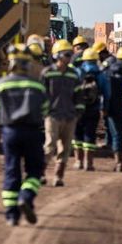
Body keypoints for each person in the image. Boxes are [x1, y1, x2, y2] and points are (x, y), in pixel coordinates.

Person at [0, 42, 48, 226]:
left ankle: (11, 215)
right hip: (32, 132)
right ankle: (26, 197)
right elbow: (45, 110)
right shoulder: (37, 85)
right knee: (35, 170)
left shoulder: (1, 84)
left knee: (11, 171)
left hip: (10, 132)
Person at [41, 39, 80, 186]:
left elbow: (78, 94)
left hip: (69, 116)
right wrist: (45, 112)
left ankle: (58, 177)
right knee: (49, 146)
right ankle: (41, 174)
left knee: (65, 148)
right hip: (53, 116)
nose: (70, 57)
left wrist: (78, 111)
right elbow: (42, 94)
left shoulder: (73, 75)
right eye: (67, 54)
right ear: (57, 55)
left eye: (70, 54)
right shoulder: (48, 73)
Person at [98, 47, 122, 171]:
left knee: (117, 136)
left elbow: (105, 92)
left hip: (114, 108)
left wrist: (104, 107)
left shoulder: (109, 71)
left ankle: (119, 163)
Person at [74, 48, 102, 171]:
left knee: (77, 135)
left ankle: (78, 161)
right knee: (90, 135)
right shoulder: (100, 74)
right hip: (94, 108)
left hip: (77, 108)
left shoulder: (77, 72)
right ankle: (88, 163)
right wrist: (104, 108)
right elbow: (106, 92)